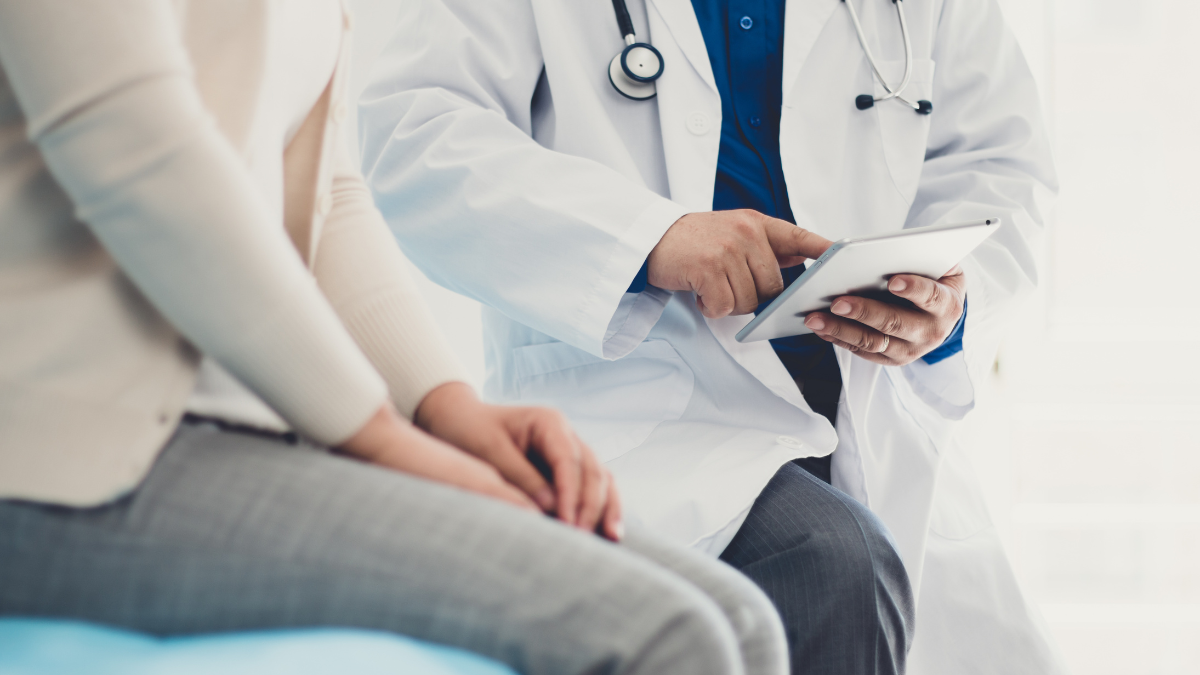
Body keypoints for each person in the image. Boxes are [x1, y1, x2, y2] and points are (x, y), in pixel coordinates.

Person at [0, 3, 793, 675]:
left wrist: (447, 408)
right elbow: (140, 161)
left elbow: (327, 193)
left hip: (251, 428)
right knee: (668, 638)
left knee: (742, 623)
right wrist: (379, 435)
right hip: (71, 453)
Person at [357, 0, 1064, 673]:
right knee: (831, 562)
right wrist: (647, 237)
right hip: (643, 405)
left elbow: (1001, 167)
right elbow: (414, 136)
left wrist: (944, 298)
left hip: (868, 406)